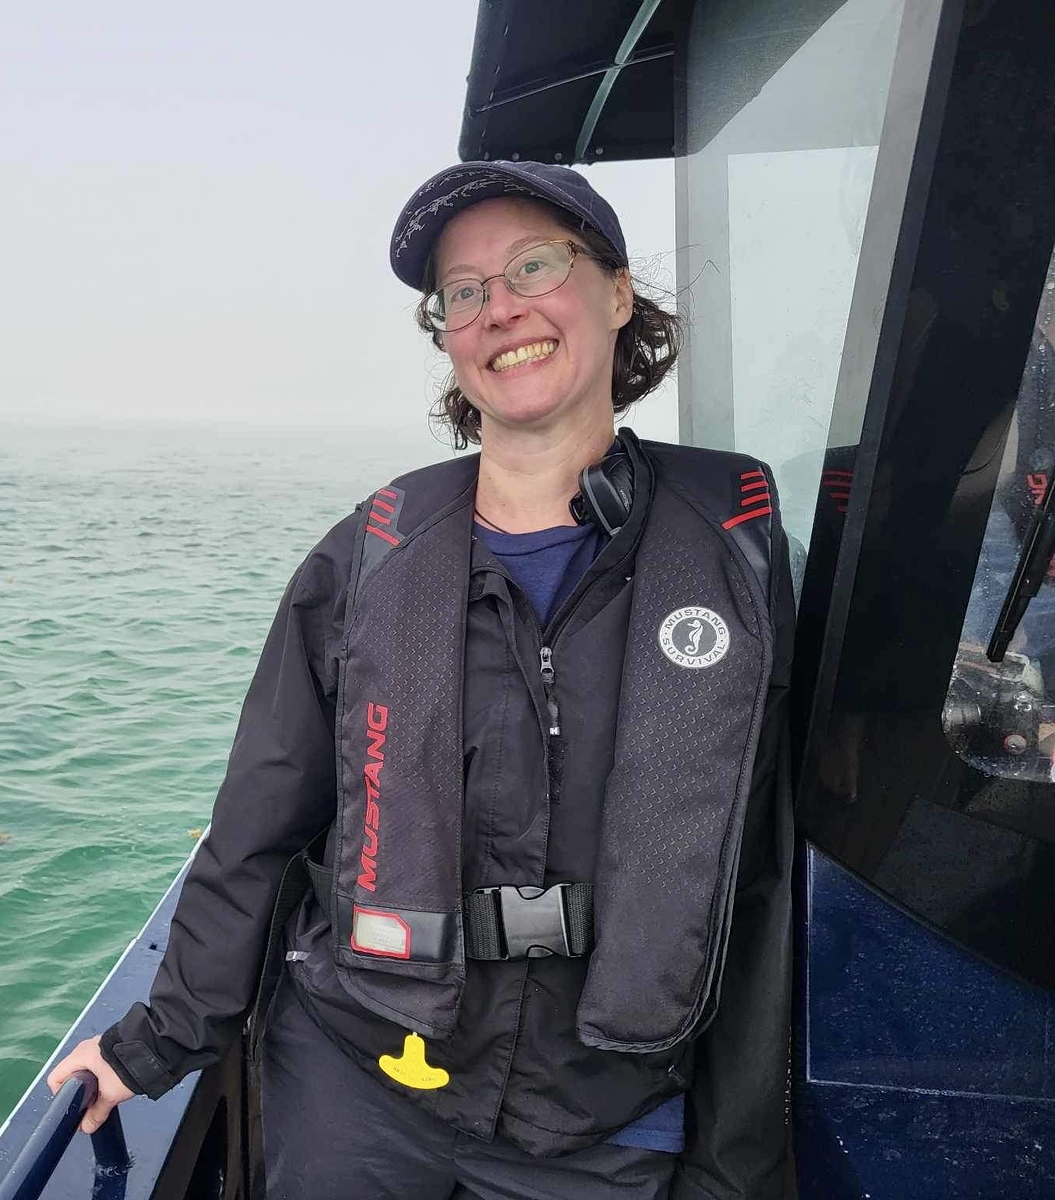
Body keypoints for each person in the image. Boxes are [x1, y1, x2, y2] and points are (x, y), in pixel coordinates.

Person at [49, 161, 796, 1200]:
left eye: (535, 264)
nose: (502, 311)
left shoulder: (731, 552)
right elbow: (261, 823)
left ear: (617, 294)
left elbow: (757, 878)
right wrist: (150, 1042)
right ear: (447, 336)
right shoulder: (368, 556)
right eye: (464, 292)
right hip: (359, 1078)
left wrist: (736, 1162)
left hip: (606, 1115)